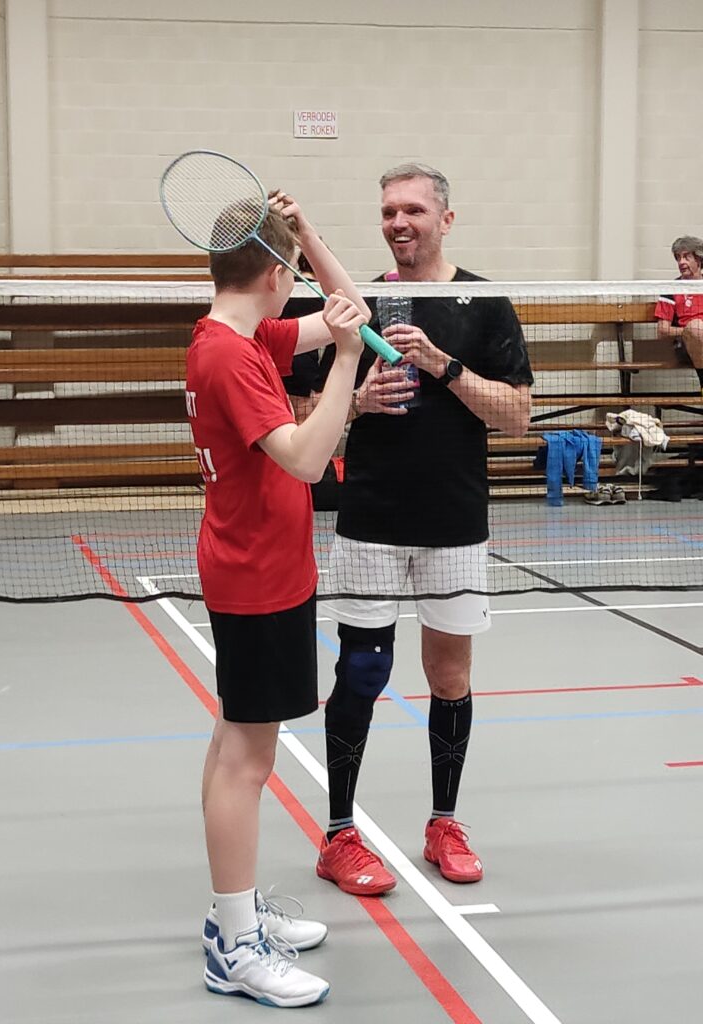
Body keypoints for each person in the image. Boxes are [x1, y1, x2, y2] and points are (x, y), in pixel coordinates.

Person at [312, 163, 534, 896]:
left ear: (446, 217)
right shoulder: (359, 303)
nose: (398, 222)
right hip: (372, 522)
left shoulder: (484, 302)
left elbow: (516, 417)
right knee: (363, 674)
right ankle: (339, 835)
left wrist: (444, 366)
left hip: (455, 524)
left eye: (412, 209)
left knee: (450, 676)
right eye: (387, 211)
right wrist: (356, 402)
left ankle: (444, 820)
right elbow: (309, 413)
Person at [188, 191, 369, 1006]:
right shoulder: (231, 354)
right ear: (271, 273)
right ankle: (234, 944)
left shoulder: (238, 332)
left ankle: (236, 906)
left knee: (234, 744)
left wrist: (310, 237)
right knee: (248, 760)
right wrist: (346, 367)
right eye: (291, 267)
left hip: (259, 567)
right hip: (256, 577)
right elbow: (300, 456)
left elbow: (345, 311)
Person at [654, 235, 703, 395]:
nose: (681, 262)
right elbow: (663, 331)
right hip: (686, 346)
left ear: (699, 259)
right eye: (678, 258)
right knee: (696, 327)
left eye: (686, 257)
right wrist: (691, 331)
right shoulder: (671, 289)